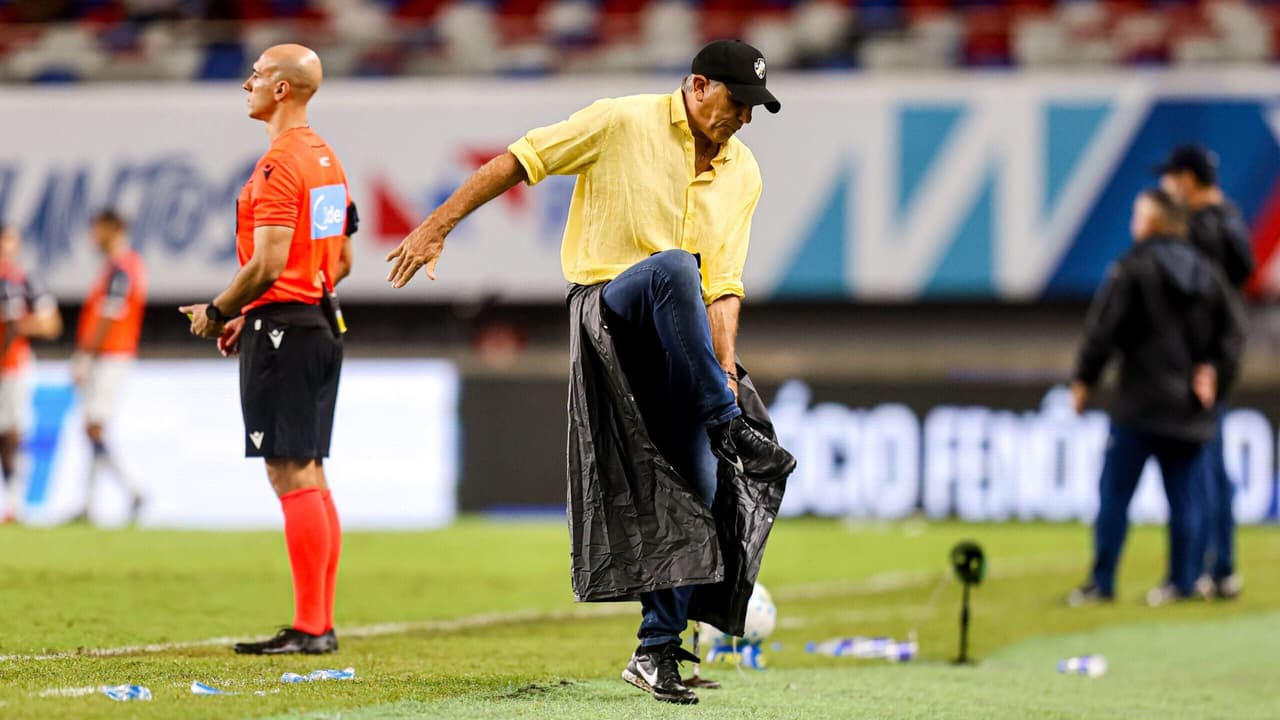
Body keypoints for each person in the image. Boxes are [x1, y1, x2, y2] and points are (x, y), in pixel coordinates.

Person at [386, 39, 795, 705]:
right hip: (610, 311)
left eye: (755, 108)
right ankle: (728, 427)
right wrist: (438, 224)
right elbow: (521, 161)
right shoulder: (621, 120)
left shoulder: (743, 172)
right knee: (670, 268)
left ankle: (657, 652)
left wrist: (723, 369)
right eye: (736, 101)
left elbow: (723, 286)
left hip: (678, 339)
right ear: (697, 86)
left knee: (695, 487)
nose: (744, 118)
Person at [180, 43, 356, 655]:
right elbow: (341, 258)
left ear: (283, 89)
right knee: (309, 469)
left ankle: (312, 627)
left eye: (255, 75)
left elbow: (269, 260)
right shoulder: (326, 159)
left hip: (284, 329)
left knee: (289, 470)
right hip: (318, 321)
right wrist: (282, 301)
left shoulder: (282, 164)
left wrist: (220, 311)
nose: (246, 84)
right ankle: (319, 622)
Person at [1067, 188, 1244, 608]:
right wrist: (1216, 372)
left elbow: (1103, 330)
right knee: (1186, 499)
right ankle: (1183, 582)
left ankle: (1102, 581)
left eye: (1138, 214)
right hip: (1187, 407)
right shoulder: (1207, 272)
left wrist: (1084, 379)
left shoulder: (1132, 269)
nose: (1134, 222)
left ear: (1153, 222)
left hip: (1138, 404)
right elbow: (1233, 332)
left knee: (1115, 495)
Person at [1156, 145, 1253, 600]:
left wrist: (1202, 362)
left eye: (1172, 178)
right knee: (1210, 462)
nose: (1165, 188)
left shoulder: (1202, 229)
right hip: (1218, 356)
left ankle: (1199, 569)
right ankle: (1221, 567)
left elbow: (1200, 301)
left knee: (1200, 466)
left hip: (1202, 359)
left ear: (1188, 179)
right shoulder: (1231, 220)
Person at [71, 209, 147, 523]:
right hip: (108, 355)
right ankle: (89, 505)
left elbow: (108, 315)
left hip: (110, 355)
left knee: (94, 427)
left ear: (112, 230)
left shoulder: (121, 268)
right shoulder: (118, 267)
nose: (93, 237)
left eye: (97, 229)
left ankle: (132, 492)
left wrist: (85, 355)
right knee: (93, 427)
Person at [0, 223, 62, 522]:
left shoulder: (25, 281)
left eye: (11, 241)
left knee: (11, 433)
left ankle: (13, 503)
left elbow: (52, 324)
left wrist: (20, 325)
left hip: (13, 368)